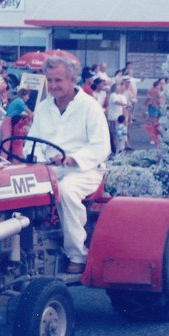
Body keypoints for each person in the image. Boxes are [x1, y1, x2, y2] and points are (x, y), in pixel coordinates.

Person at [27, 56, 110, 273]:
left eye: (58, 80)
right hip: (49, 169)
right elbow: (31, 144)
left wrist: (74, 158)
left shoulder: (90, 107)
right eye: (50, 80)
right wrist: (42, 158)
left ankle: (77, 255)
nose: (53, 85)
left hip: (85, 170)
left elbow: (101, 146)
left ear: (73, 80)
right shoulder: (43, 108)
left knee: (66, 190)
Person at [0, 88, 33, 160]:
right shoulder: (19, 101)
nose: (28, 98)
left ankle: (6, 158)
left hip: (9, 120)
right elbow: (29, 112)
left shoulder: (17, 101)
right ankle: (3, 160)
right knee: (7, 142)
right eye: (27, 95)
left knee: (9, 142)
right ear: (24, 95)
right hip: (8, 121)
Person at [106, 80, 130, 153]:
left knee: (120, 133)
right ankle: (114, 149)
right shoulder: (113, 95)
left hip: (119, 117)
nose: (119, 87)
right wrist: (125, 104)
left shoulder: (119, 96)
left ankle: (120, 148)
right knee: (115, 133)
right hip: (113, 117)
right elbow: (116, 102)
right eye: (118, 86)